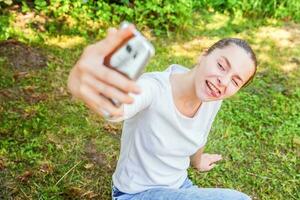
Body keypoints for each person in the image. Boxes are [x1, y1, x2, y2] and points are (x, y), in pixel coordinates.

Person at [68, 25, 257, 200]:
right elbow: (116, 108)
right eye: (222, 66)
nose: (223, 81)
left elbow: (200, 135)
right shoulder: (154, 87)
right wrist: (82, 81)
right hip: (135, 194)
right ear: (204, 55)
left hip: (180, 188)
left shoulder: (213, 97)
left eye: (235, 81)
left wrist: (198, 162)